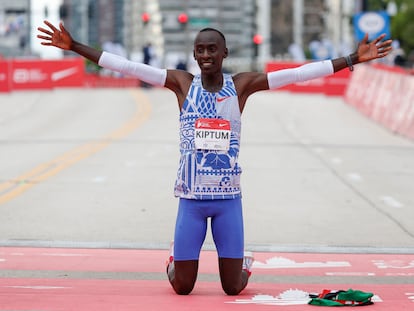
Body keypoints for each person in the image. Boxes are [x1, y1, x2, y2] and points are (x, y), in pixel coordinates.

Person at [37, 20, 392, 296]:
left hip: (227, 202)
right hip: (190, 201)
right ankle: (175, 258)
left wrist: (351, 59)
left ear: (225, 53)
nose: (205, 55)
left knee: (232, 287)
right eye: (200, 50)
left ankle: (244, 263)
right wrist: (74, 47)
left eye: (212, 50)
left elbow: (297, 74)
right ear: (194, 54)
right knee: (182, 286)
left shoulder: (240, 86)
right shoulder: (180, 83)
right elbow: (127, 66)